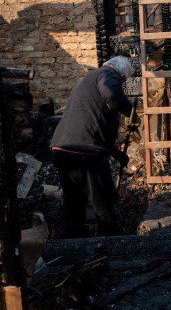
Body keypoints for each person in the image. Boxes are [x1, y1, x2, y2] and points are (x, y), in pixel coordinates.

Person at [50, 56, 133, 237]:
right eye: (124, 81)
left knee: (74, 199)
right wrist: (131, 111)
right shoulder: (107, 73)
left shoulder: (90, 80)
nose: (123, 85)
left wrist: (116, 154)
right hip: (85, 151)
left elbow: (93, 126)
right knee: (103, 198)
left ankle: (72, 240)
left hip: (63, 147)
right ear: (122, 74)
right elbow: (112, 96)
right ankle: (113, 239)